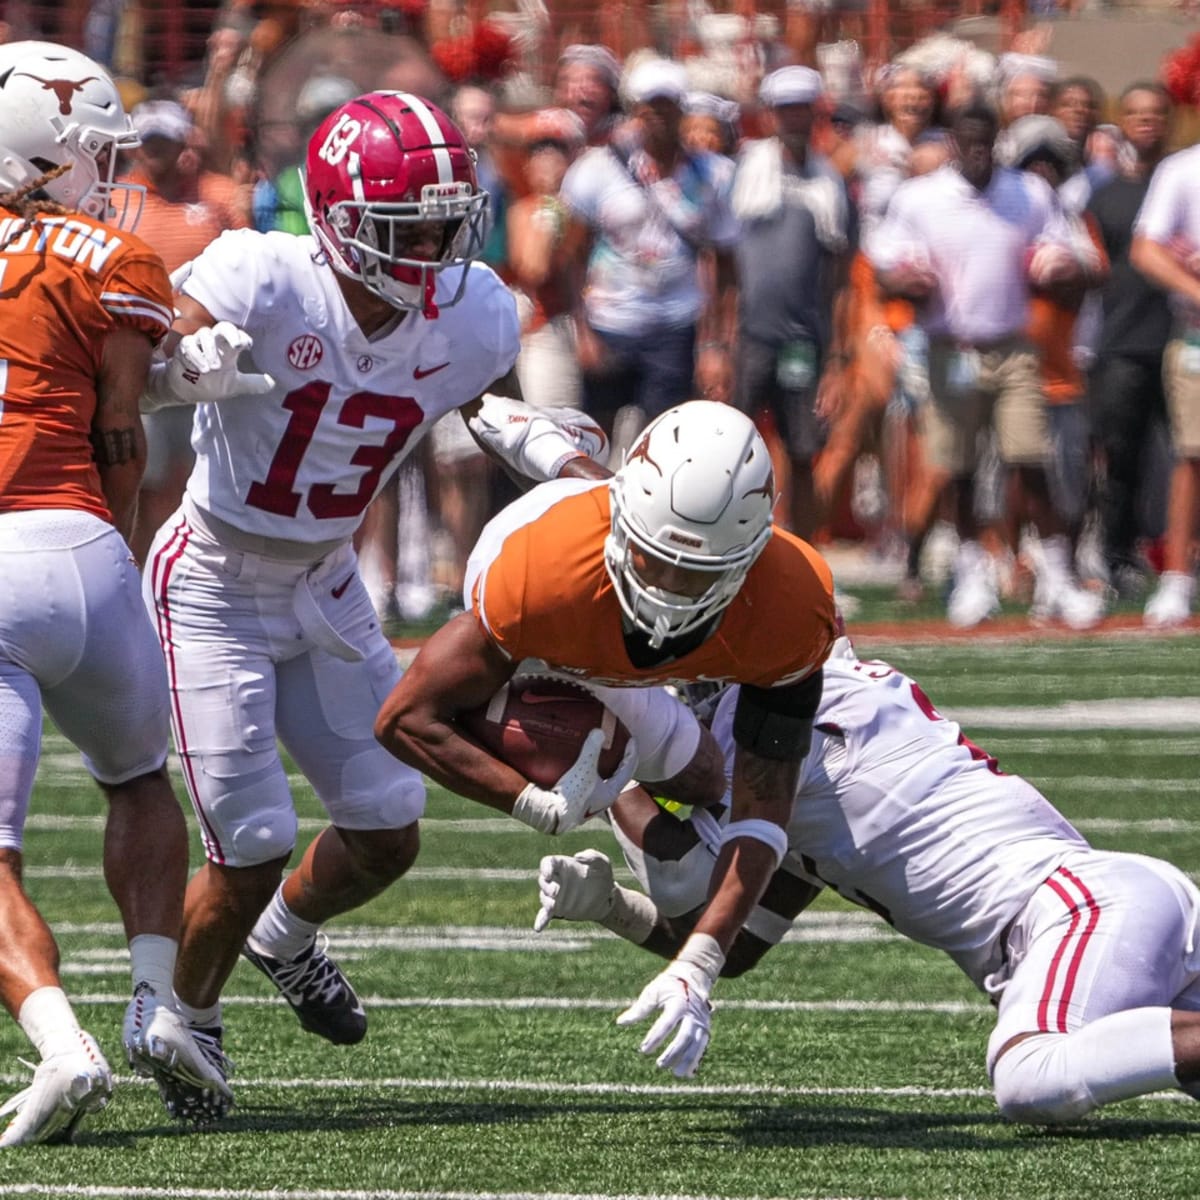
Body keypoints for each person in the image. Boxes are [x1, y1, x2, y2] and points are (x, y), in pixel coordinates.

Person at [139, 90, 608, 1114]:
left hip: (328, 581)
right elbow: (155, 342)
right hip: (214, 581)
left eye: (448, 223)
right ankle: (183, 1018)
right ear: (338, 218)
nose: (435, 247)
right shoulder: (264, 272)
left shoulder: (475, 311)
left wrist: (537, 438)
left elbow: (473, 398)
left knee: (392, 823)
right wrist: (179, 363)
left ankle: (284, 938)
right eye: (410, 229)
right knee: (254, 837)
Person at [534, 637, 1200, 1112]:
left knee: (1034, 1076)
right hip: (1101, 911)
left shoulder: (760, 738)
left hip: (1074, 911)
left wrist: (602, 765)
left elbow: (679, 877)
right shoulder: (802, 710)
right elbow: (736, 942)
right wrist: (612, 909)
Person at [375, 399, 839, 1076]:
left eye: (700, 574)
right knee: (696, 777)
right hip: (558, 640)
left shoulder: (793, 604)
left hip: (605, 586)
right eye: (654, 562)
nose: (671, 594)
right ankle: (555, 458)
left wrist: (702, 963)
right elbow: (403, 718)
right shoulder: (538, 578)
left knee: (719, 784)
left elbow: (766, 802)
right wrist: (530, 802)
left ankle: (556, 454)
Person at [0, 41, 231, 1145]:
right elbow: (120, 434)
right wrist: (123, 553)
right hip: (87, 549)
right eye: (94, 153)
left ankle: (56, 1042)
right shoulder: (113, 255)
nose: (108, 172)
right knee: (140, 782)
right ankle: (153, 1000)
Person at [867, 101, 1105, 630]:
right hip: (950, 346)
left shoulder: (1029, 192)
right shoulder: (920, 198)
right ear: (951, 143)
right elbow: (885, 267)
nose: (977, 152)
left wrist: (1061, 265)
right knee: (959, 467)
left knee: (1030, 457)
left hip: (1014, 345)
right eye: (967, 142)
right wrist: (907, 283)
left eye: (985, 142)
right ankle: (973, 574)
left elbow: (1072, 256)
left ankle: (1058, 577)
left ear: (996, 142)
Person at [559, 58, 739, 452]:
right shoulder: (597, 170)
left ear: (682, 110)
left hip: (674, 324)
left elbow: (726, 266)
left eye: (668, 106)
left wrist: (716, 347)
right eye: (650, 106)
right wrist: (582, 331)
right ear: (636, 110)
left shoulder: (712, 175)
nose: (658, 116)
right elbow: (571, 255)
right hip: (611, 321)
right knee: (595, 442)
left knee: (664, 444)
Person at [119, 97, 250, 567]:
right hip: (139, 362)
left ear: (183, 144)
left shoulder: (218, 196)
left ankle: (182, 576)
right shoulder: (117, 200)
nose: (155, 151)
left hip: (208, 361)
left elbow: (248, 267)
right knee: (142, 479)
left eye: (164, 141)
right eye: (147, 142)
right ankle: (135, 575)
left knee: (199, 481)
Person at [730, 66, 854, 540]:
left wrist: (839, 357)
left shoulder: (829, 183)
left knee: (803, 450)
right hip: (749, 335)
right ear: (771, 114)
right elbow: (721, 263)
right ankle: (732, 552)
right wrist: (718, 342)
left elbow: (840, 280)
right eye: (785, 109)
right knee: (731, 449)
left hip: (804, 339)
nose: (793, 118)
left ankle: (803, 557)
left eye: (802, 108)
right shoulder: (745, 171)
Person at [1086, 83, 1174, 599]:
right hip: (1122, 341)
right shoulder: (1104, 194)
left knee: (1192, 455)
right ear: (1123, 122)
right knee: (1122, 459)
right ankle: (1117, 557)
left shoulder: (1188, 180)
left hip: (1184, 338)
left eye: (1157, 114)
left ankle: (1183, 558)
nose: (1147, 122)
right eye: (1137, 113)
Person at [1129, 123, 1200, 627]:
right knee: (1194, 454)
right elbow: (1146, 249)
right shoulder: (1182, 170)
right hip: (1197, 331)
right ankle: (1177, 577)